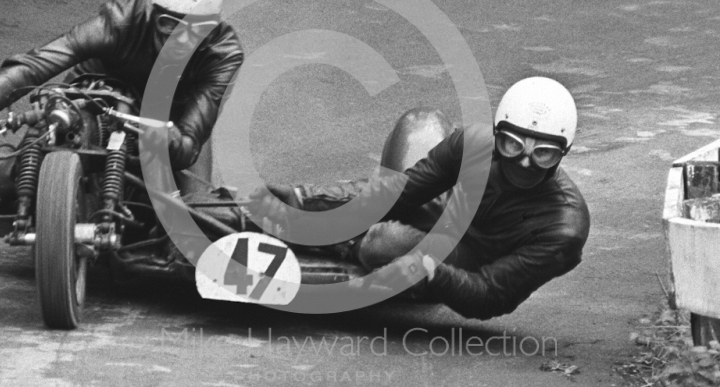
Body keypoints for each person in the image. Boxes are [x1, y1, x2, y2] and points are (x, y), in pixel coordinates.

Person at [248, 77, 590, 320]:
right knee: (421, 122)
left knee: (384, 242)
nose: (525, 162)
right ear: (498, 135)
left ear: (564, 153)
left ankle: (347, 242)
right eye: (513, 145)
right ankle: (324, 226)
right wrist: (305, 196)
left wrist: (433, 274)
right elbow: (400, 192)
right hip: (447, 213)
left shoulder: (564, 231)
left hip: (471, 262)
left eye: (543, 153)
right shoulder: (474, 144)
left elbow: (491, 296)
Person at [0, 0, 244, 197]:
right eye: (170, 24)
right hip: (95, 98)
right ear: (151, 12)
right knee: (8, 183)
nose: (183, 37)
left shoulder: (223, 54)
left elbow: (190, 143)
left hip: (171, 121)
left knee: (195, 213)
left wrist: (174, 140)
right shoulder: (119, 20)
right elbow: (39, 62)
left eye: (198, 27)